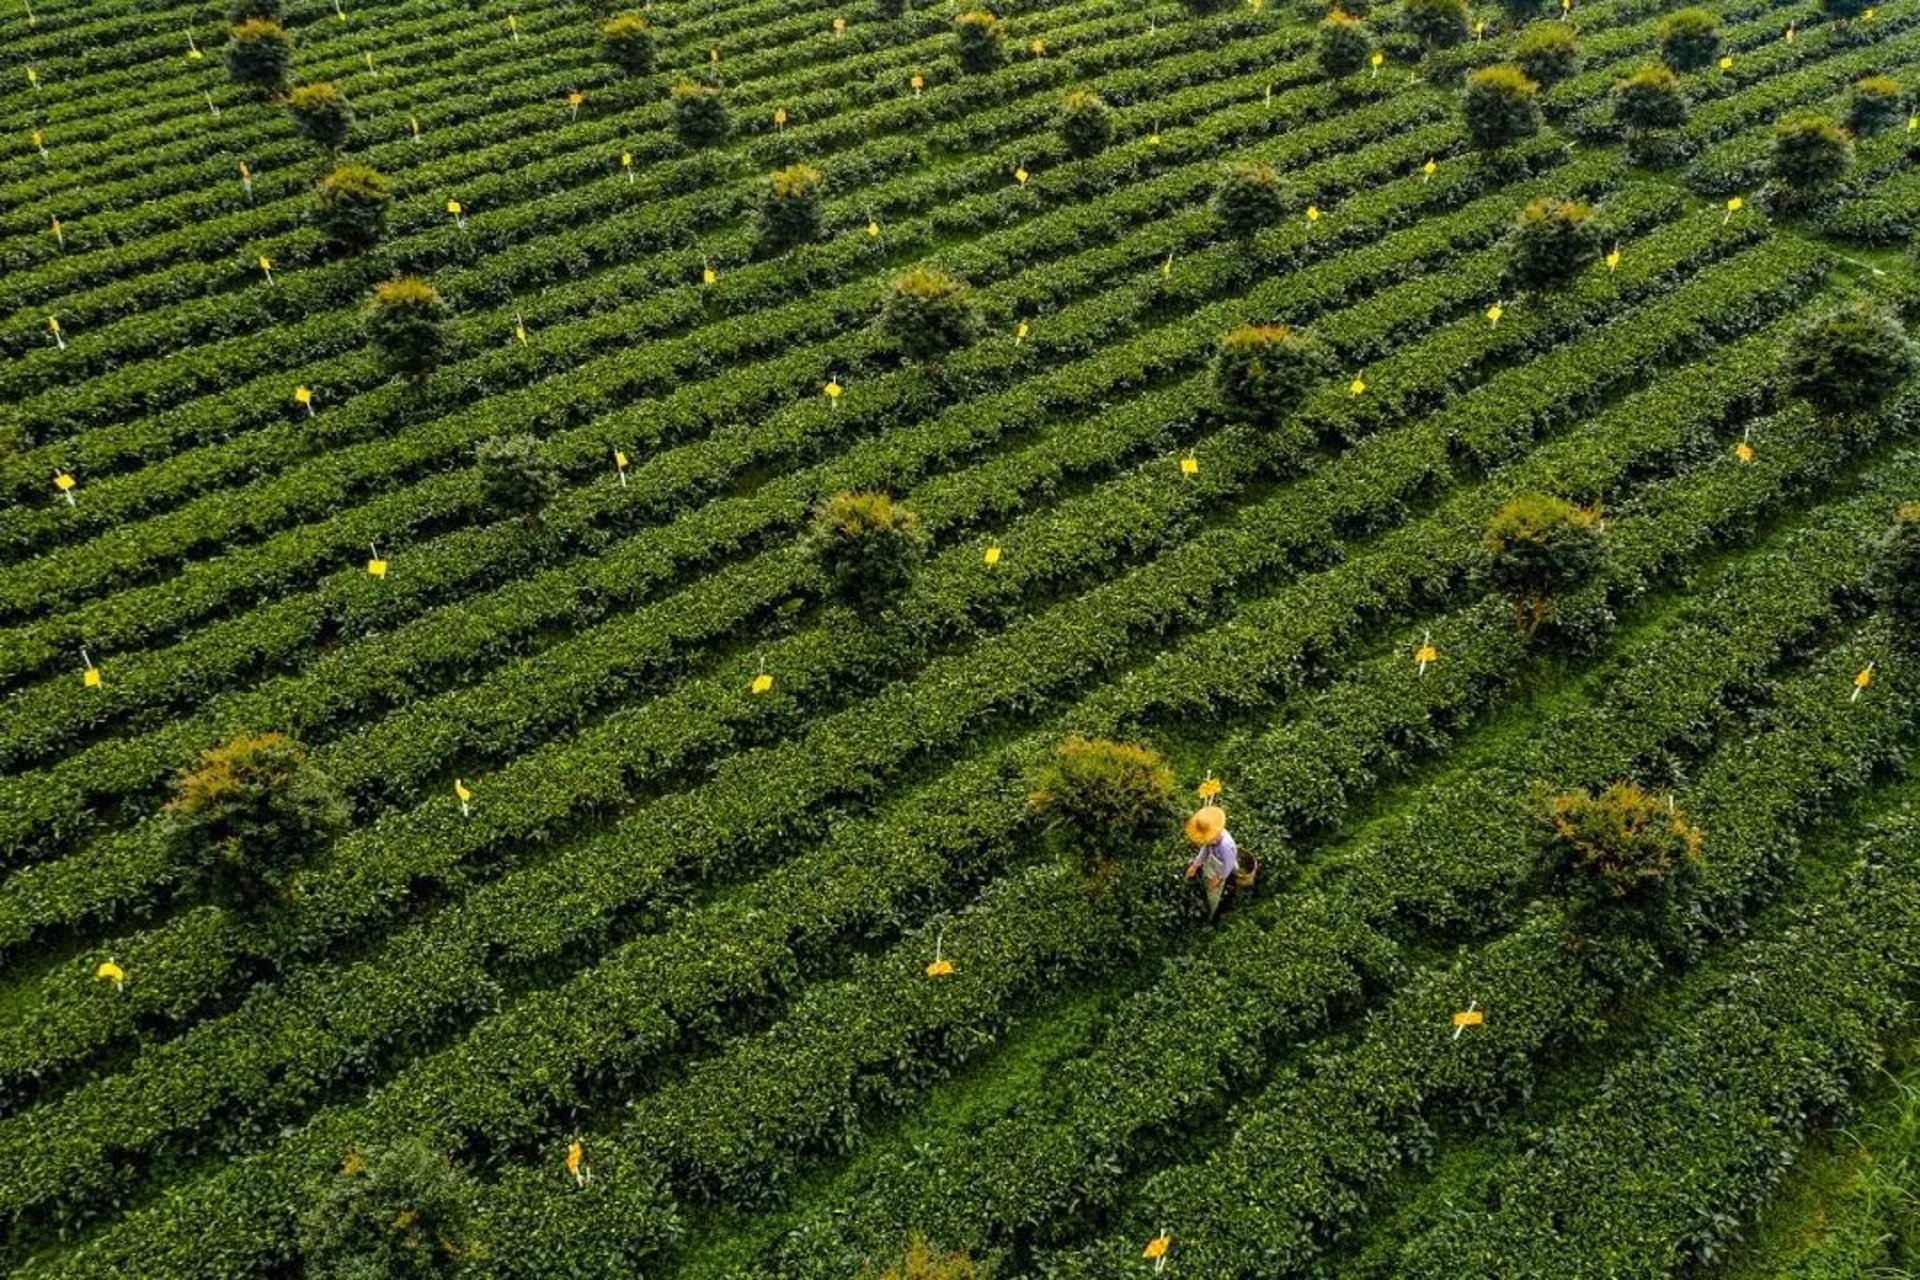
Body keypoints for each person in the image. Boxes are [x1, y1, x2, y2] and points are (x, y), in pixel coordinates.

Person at [1184, 805, 1240, 918]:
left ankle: (1212, 913)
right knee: (1234, 868)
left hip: (1222, 864)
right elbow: (1205, 849)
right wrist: (1195, 866)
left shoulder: (1225, 846)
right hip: (1217, 858)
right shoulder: (1213, 836)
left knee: (1213, 892)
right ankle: (1235, 878)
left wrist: (1218, 880)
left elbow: (1227, 865)